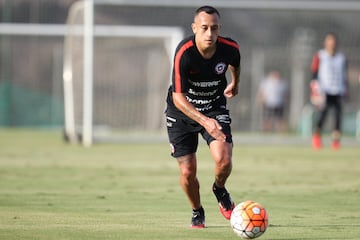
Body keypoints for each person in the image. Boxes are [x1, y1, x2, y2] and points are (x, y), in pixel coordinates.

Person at [165, 6, 241, 228]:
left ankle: (219, 189)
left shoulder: (229, 48)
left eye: (214, 28)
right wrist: (205, 121)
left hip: (214, 107)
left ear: (220, 29)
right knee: (188, 172)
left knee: (224, 160)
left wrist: (235, 82)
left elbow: (235, 63)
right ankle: (197, 211)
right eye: (205, 28)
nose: (210, 34)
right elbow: (179, 98)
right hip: (181, 112)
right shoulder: (184, 53)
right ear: (195, 28)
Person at [310, 32, 348, 150]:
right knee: (323, 115)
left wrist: (346, 89)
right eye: (329, 41)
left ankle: (335, 140)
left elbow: (344, 75)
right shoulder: (320, 56)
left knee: (338, 116)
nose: (332, 43)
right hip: (324, 90)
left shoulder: (341, 58)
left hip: (338, 90)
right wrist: (315, 90)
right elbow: (314, 73)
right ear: (325, 43)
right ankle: (317, 136)